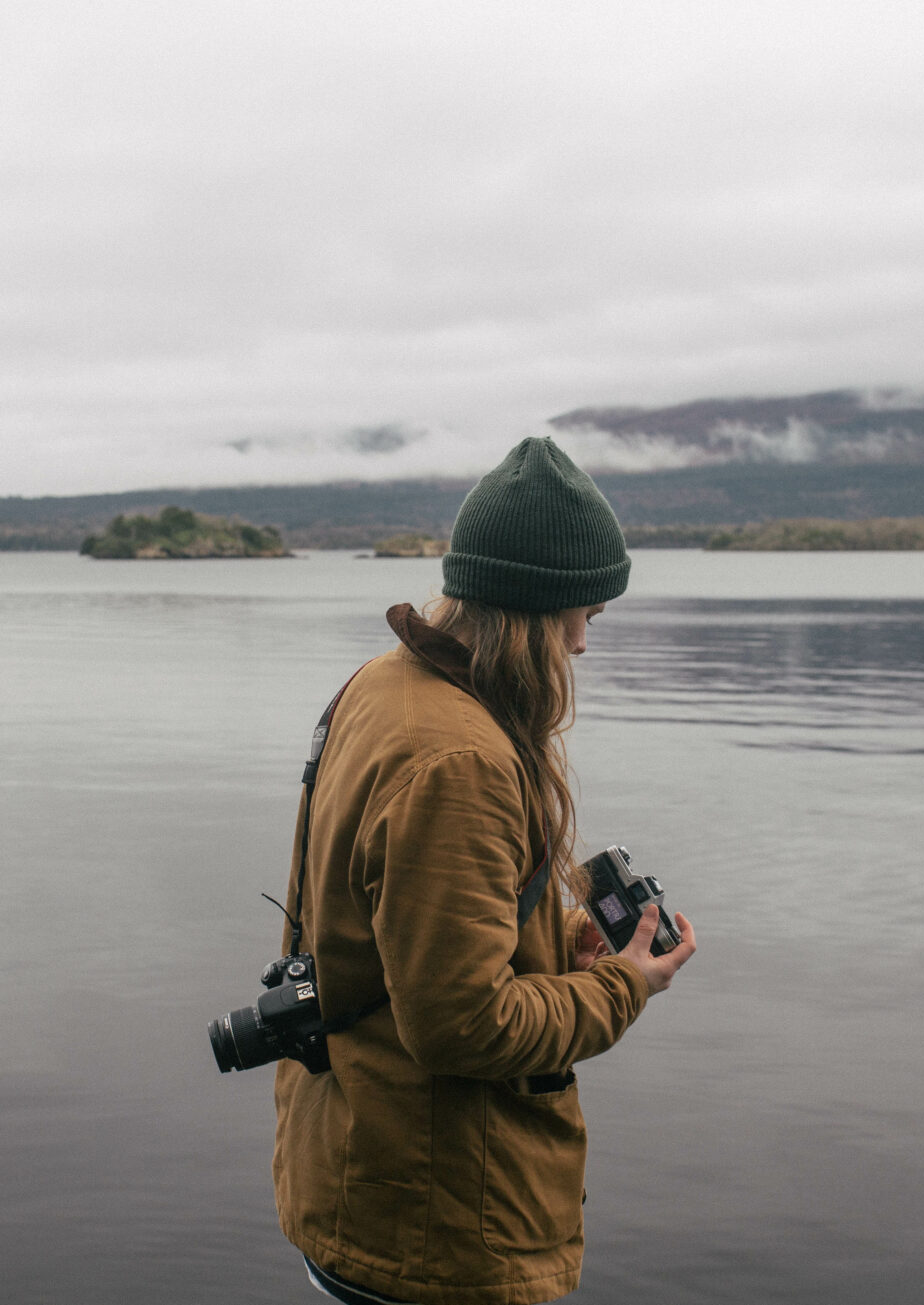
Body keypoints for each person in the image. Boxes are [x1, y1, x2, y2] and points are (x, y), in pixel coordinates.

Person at [272, 436, 696, 1305]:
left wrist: (560, 936)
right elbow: (464, 1024)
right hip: (440, 1227)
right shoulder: (458, 762)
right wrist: (623, 984)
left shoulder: (380, 687)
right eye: (585, 612)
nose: (585, 641)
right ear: (536, 610)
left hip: (367, 1179)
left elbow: (406, 927)